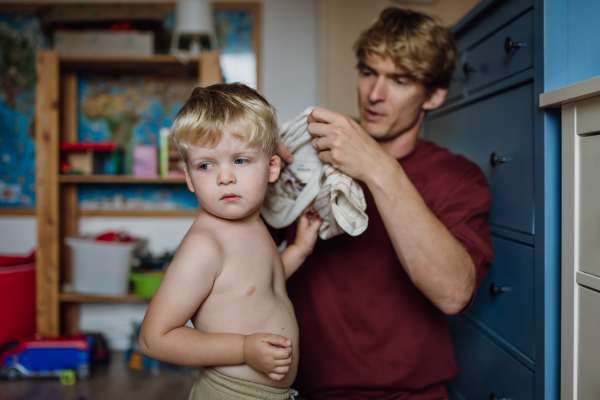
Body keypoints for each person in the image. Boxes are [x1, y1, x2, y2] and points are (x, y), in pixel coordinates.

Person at [278, 8, 495, 400]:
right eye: (367, 72)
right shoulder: (313, 153)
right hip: (301, 389)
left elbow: (454, 293)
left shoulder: (458, 177)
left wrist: (380, 168)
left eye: (400, 80)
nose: (375, 94)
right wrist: (253, 164)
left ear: (434, 94)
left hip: (408, 394)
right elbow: (240, 253)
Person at [139, 83, 322, 400]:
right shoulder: (206, 245)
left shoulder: (252, 224)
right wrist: (244, 348)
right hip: (232, 392)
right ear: (189, 179)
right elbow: (154, 338)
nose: (225, 177)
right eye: (206, 165)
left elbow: (257, 285)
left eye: (240, 160)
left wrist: (299, 251)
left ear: (272, 167)